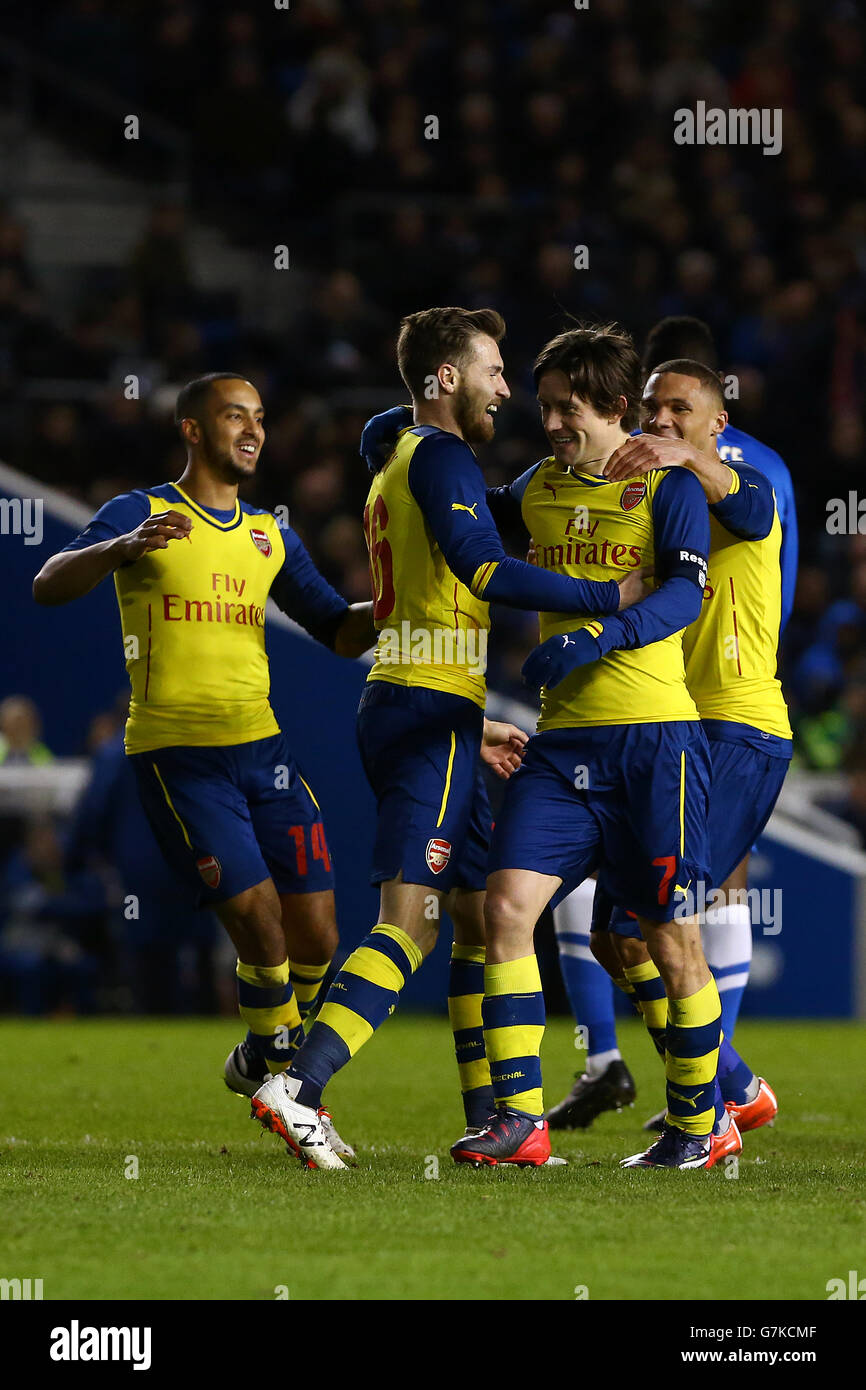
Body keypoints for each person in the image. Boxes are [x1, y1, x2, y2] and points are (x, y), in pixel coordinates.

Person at [250, 307, 645, 1169]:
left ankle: (498, 1120)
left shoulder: (399, 451)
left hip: (434, 703)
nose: (506, 388)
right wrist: (608, 598)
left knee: (473, 915)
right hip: (424, 706)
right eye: (494, 370)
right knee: (414, 919)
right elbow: (484, 566)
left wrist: (475, 717)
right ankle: (299, 1085)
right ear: (444, 380)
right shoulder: (440, 455)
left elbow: (423, 563)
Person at [33, 371, 376, 1162]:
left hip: (267, 753)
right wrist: (118, 550)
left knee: (318, 936)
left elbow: (333, 628)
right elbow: (49, 583)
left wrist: (399, 607)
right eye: (234, 417)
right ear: (193, 430)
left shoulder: (269, 533)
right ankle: (290, 1097)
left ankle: (261, 1057)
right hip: (176, 757)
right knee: (257, 921)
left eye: (260, 417)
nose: (253, 431)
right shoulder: (142, 512)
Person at [449, 323, 724, 1170]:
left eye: (569, 407)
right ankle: (521, 1123)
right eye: (546, 405)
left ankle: (696, 1127)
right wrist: (410, 442)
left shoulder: (664, 485)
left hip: (655, 742)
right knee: (506, 908)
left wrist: (594, 636)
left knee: (669, 939)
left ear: (611, 406)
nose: (555, 420)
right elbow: (455, 517)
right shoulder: (534, 484)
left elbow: (683, 595)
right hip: (562, 748)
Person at [549, 316, 796, 1130]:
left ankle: (716, 1109)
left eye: (679, 411)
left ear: (718, 420)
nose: (660, 422)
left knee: (657, 918)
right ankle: (728, 1087)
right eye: (652, 408)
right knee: (618, 924)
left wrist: (688, 456)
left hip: (736, 726)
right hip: (676, 725)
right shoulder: (652, 485)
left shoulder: (741, 473)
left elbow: (758, 516)